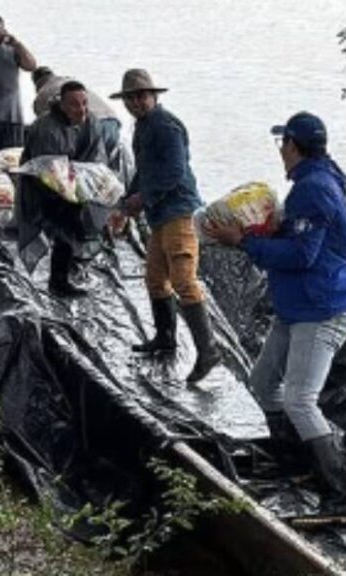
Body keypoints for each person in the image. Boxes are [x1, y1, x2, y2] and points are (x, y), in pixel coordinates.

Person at [205, 111, 346, 512]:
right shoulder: (318, 178)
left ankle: (336, 493)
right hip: (296, 305)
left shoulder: (314, 190)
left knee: (300, 400)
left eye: (282, 144)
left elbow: (303, 254)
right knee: (261, 384)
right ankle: (294, 462)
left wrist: (244, 242)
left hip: (319, 308)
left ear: (292, 145)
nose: (281, 153)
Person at [111, 68, 219, 384]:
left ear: (153, 96)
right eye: (130, 98)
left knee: (184, 280)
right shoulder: (141, 128)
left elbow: (173, 172)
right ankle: (165, 338)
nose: (135, 102)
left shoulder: (167, 127)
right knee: (155, 278)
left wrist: (141, 200)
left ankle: (208, 349)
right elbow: (144, 171)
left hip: (179, 211)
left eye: (141, 96)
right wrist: (126, 200)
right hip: (158, 213)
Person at [16, 80, 107, 296]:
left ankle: (67, 267)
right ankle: (58, 283)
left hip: (74, 182)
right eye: (74, 104)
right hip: (44, 187)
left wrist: (90, 182)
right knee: (63, 229)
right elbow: (47, 171)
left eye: (85, 103)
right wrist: (71, 190)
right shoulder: (46, 129)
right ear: (62, 105)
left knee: (83, 223)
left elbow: (96, 156)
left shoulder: (90, 121)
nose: (81, 109)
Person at [31, 66, 131, 185]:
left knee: (90, 170)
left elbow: (46, 125)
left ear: (37, 83)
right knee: (104, 170)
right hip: (112, 120)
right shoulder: (68, 80)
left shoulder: (43, 94)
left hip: (94, 122)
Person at [0, 14, 36, 157]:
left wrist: (17, 44)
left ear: (4, 32)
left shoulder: (12, 50)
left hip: (12, 116)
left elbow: (31, 66)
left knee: (13, 157)